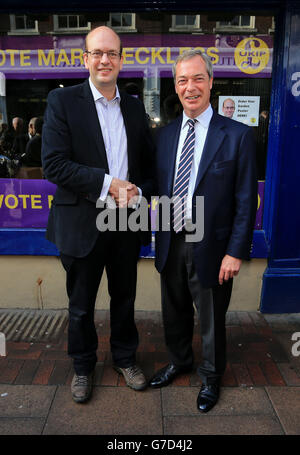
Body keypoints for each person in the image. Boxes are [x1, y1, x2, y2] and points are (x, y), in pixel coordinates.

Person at [42, 26, 155, 404]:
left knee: (125, 297)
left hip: (125, 221)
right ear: (85, 59)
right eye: (97, 53)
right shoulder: (63, 103)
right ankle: (83, 366)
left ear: (122, 59)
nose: (104, 60)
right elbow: (54, 165)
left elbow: (146, 163)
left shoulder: (135, 106)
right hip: (81, 222)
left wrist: (140, 189)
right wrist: (109, 183)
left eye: (112, 53)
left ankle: (125, 358)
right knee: (81, 305)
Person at [149, 50, 257, 413]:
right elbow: (157, 187)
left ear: (211, 82)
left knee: (211, 317)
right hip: (171, 239)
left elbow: (246, 198)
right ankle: (180, 362)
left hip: (213, 245)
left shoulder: (238, 136)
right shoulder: (162, 137)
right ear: (175, 87)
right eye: (182, 80)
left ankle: (211, 376)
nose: (190, 87)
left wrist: (236, 251)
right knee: (174, 309)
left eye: (197, 78)